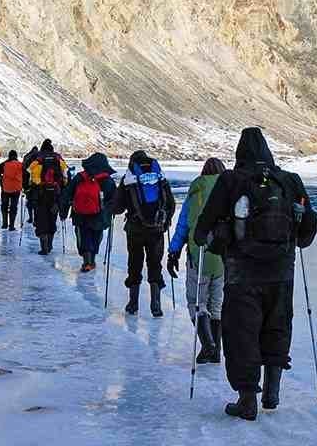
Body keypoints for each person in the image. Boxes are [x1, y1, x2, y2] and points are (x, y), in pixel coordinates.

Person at [194, 127, 317, 421]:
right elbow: (307, 229)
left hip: (242, 273)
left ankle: (247, 398)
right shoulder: (289, 180)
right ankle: (272, 392)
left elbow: (204, 226)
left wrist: (207, 239)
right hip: (281, 272)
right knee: (277, 326)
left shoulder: (231, 180)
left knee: (242, 334)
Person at [168, 158, 227, 364]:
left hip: (199, 254)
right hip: (223, 257)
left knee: (197, 303)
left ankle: (208, 345)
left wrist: (173, 252)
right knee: (216, 304)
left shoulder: (196, 191)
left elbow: (183, 225)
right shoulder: (229, 189)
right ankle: (215, 350)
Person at [112, 151, 175, 317]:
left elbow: (117, 207)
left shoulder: (130, 178)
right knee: (155, 264)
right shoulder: (159, 177)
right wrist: (165, 221)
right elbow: (171, 203)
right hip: (156, 230)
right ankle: (156, 305)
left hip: (135, 230)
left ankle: (133, 304)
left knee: (135, 263)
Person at [60, 153, 116, 273]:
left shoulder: (80, 178)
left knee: (84, 235)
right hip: (99, 215)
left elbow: (66, 194)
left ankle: (87, 261)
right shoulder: (107, 180)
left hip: (80, 214)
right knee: (96, 236)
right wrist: (111, 212)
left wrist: (63, 211)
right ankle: (91, 260)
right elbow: (113, 199)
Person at [27, 139, 68, 255]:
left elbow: (28, 173)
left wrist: (28, 189)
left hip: (39, 194)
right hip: (55, 194)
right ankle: (49, 245)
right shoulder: (58, 158)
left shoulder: (37, 158)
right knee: (52, 218)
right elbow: (65, 176)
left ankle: (44, 247)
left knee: (41, 219)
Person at [0, 150, 22, 231]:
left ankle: (4, 224)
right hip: (16, 189)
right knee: (13, 207)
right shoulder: (20, 165)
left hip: (5, 189)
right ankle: (11, 225)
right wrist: (26, 188)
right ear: (16, 156)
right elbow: (25, 176)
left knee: (4, 206)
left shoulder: (3, 164)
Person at [22, 146, 39, 224]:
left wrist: (24, 186)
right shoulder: (40, 157)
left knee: (29, 201)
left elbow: (24, 171)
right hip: (38, 183)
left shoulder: (27, 157)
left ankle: (31, 218)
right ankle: (36, 219)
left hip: (29, 183)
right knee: (37, 202)